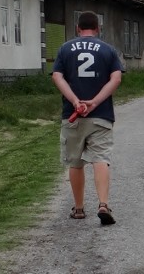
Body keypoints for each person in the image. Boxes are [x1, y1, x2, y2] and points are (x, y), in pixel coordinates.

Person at [52, 11, 123, 225]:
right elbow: (116, 78)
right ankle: (103, 204)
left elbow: (57, 76)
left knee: (75, 162)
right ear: (98, 28)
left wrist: (75, 101)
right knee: (100, 158)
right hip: (100, 115)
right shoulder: (108, 50)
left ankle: (79, 208)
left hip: (73, 116)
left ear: (77, 28)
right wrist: (95, 101)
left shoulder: (65, 49)